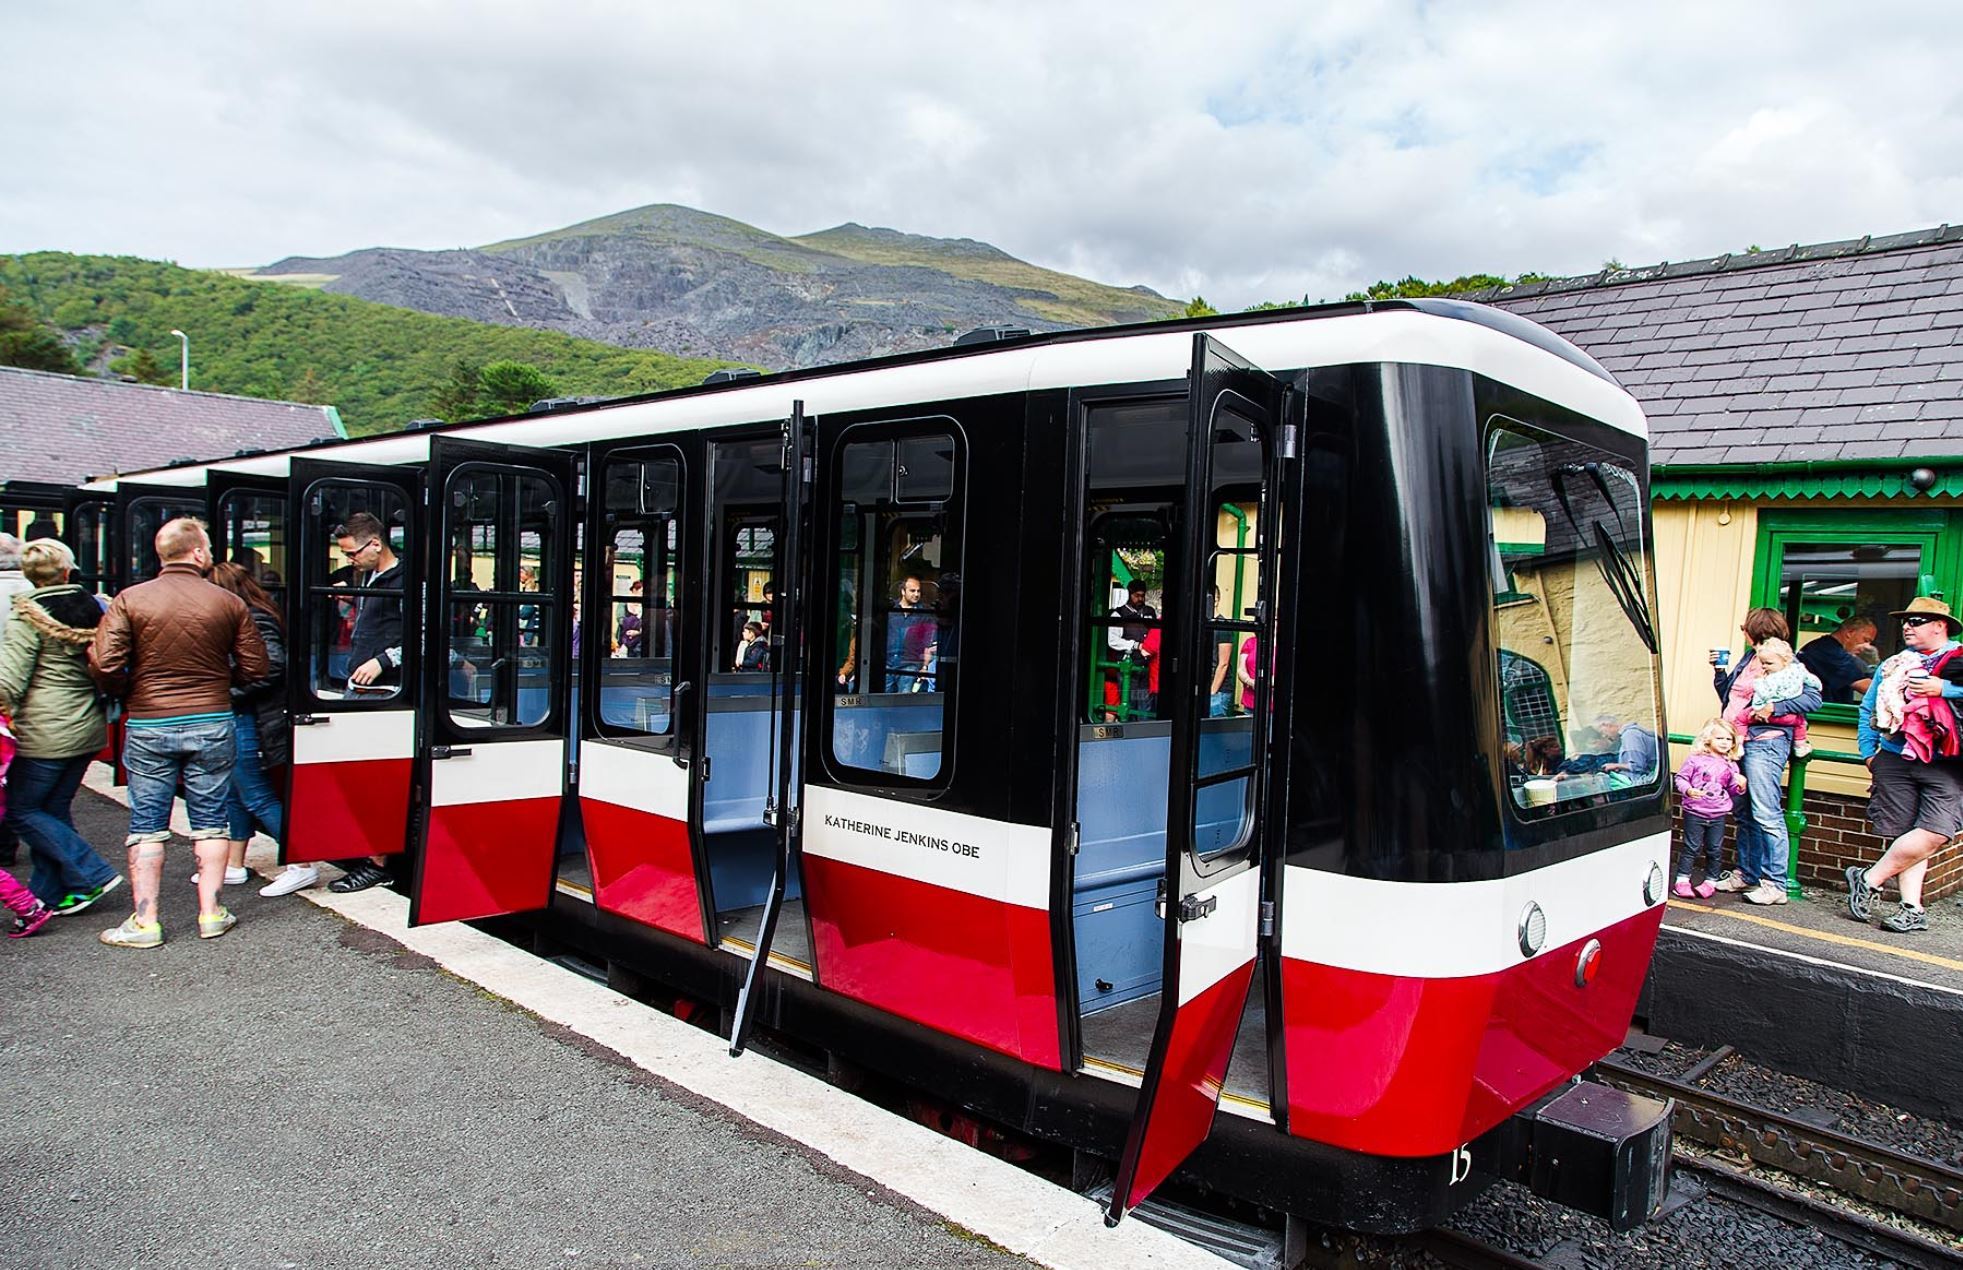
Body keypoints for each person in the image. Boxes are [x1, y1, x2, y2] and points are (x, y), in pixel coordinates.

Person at [89, 518, 269, 947]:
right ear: (199, 553)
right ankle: (211, 913)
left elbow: (106, 665)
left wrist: (134, 693)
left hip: (150, 722)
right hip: (212, 720)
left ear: (162, 555)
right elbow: (256, 667)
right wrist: (218, 687)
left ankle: (145, 921)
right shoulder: (227, 602)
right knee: (211, 819)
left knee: (147, 822)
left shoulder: (130, 599)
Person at [0, 539, 120, 915]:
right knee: (52, 808)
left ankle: (91, 872)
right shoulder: (95, 607)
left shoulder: (27, 616)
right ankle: (53, 893)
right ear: (69, 571)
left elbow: (9, 681)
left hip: (44, 730)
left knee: (21, 811)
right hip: (87, 726)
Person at [1846, 597, 1963, 934]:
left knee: (1936, 831)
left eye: (1916, 621)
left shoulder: (1959, 658)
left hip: (1945, 762)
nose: (1907, 627)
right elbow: (1868, 708)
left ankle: (1868, 879)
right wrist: (1869, 752)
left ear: (1939, 626)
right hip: (1895, 756)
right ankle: (1912, 908)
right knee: (1905, 834)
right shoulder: (1894, 665)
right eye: (1906, 622)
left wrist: (1944, 688)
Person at [1711, 607, 1821, 906]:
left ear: (1755, 630)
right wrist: (1720, 672)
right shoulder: (1749, 658)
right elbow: (1731, 695)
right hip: (1736, 740)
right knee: (1744, 812)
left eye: (1745, 627)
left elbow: (1814, 698)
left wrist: (1775, 709)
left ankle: (1775, 883)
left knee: (1766, 812)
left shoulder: (1787, 660)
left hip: (1765, 742)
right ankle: (1747, 873)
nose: (1742, 631)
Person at [204, 563, 288, 888]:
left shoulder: (254, 617)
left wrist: (228, 692)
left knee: (255, 795)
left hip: (250, 714)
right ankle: (235, 863)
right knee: (236, 794)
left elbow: (272, 666)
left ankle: (300, 862)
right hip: (244, 712)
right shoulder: (251, 613)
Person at [1673, 717, 1747, 898]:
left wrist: (1740, 786)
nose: (1724, 743)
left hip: (1718, 814)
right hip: (1695, 811)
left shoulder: (1731, 765)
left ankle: (1710, 881)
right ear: (1708, 739)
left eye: (1729, 739)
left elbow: (1731, 791)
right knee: (1692, 847)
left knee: (1714, 848)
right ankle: (1682, 880)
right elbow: (1680, 778)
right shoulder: (1695, 760)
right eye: (1719, 738)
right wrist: (1688, 790)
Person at [1747, 639, 1823, 759]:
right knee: (1801, 722)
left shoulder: (1773, 678)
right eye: (1762, 663)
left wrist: (1758, 682)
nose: (1764, 666)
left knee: (1741, 718)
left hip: (1768, 717)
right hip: (1784, 717)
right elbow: (1811, 679)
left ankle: (1739, 741)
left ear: (1785, 660)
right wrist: (1818, 685)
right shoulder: (1799, 670)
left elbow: (1766, 694)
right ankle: (1800, 746)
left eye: (1768, 663)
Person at [1799, 616, 1879, 705]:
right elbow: (1866, 687)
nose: (1867, 646)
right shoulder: (1829, 651)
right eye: (1865, 640)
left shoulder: (1828, 648)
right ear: (1850, 633)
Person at [1109, 580, 1157, 717]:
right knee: (1129, 705)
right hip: (1127, 667)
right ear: (1129, 594)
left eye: (1143, 596)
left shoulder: (1150, 612)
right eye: (1137, 596)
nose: (1140, 599)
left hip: (1146, 667)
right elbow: (1112, 640)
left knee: (1145, 707)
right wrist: (1135, 645)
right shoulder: (1118, 615)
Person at [885, 574, 932, 692]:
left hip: (909, 666)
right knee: (882, 703)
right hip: (887, 664)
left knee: (904, 703)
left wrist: (925, 667)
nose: (916, 594)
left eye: (918, 591)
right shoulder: (890, 610)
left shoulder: (923, 614)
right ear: (903, 591)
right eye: (912, 591)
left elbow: (928, 644)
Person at [1596, 713, 1661, 782]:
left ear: (1608, 725)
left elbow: (1637, 766)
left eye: (1602, 732)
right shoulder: (1628, 735)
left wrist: (1614, 766)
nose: (1604, 736)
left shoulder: (1630, 735)